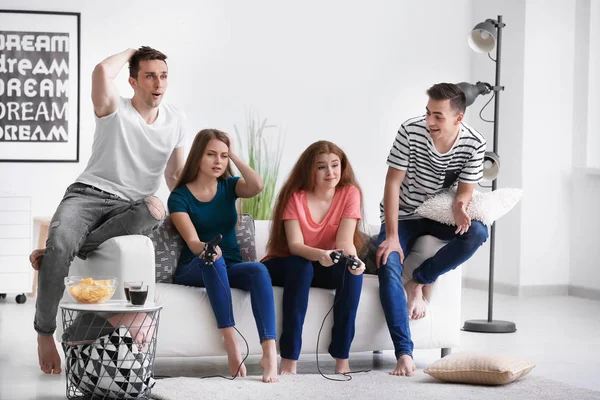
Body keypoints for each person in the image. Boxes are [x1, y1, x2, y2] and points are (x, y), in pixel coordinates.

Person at [30, 46, 187, 375]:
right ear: (132, 81)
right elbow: (102, 71)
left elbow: (174, 176)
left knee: (155, 208)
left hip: (132, 207)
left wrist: (195, 211)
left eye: (163, 76)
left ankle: (63, 254)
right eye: (149, 76)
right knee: (59, 244)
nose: (158, 83)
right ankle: (45, 333)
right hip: (88, 195)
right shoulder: (115, 107)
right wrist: (132, 49)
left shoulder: (176, 120)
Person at [376, 82, 489, 376]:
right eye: (428, 113)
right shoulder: (410, 131)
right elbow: (392, 183)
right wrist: (391, 237)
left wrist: (460, 206)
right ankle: (404, 352)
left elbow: (466, 188)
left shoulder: (475, 143)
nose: (429, 121)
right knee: (388, 262)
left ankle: (419, 281)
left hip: (436, 215)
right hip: (402, 215)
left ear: (458, 118)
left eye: (438, 116)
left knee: (478, 233)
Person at [168, 129, 278, 383]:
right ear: (197, 157)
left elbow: (257, 185)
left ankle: (269, 352)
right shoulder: (179, 196)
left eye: (223, 156)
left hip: (230, 265)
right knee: (212, 258)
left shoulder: (230, 186)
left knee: (259, 270)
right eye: (211, 155)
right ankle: (231, 342)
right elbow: (193, 241)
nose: (218, 161)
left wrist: (233, 155)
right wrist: (208, 249)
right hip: (195, 265)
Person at [262, 140, 367, 375]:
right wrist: (321, 254)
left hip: (326, 261)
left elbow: (344, 243)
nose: (330, 172)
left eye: (335, 165)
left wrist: (353, 261)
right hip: (288, 263)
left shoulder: (350, 193)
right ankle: (289, 360)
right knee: (302, 267)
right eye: (322, 167)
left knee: (352, 275)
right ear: (310, 169)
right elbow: (296, 246)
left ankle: (342, 359)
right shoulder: (295, 196)